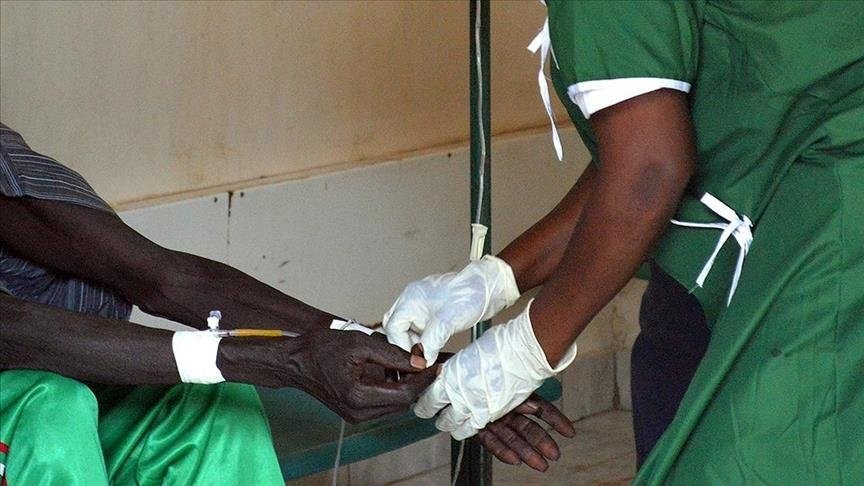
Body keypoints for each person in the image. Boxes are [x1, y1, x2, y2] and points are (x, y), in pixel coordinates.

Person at [384, 1, 863, 483]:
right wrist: (497, 279)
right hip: (790, 181)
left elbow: (651, 167)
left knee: (753, 456)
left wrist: (528, 346)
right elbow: (648, 142)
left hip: (834, 216)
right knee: (671, 363)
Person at [0, 122, 574, 484]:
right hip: (41, 406)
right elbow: (13, 328)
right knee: (53, 409)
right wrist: (280, 360)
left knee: (217, 413)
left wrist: (402, 363)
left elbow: (162, 276)